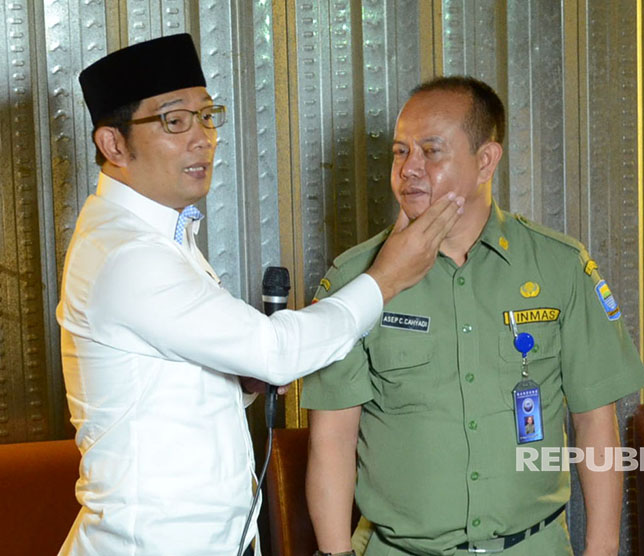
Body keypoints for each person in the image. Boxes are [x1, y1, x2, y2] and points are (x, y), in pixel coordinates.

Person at [57, 34, 464, 556]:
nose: (203, 139)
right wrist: (386, 278)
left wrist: (242, 378)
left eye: (207, 117)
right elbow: (274, 352)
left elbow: (187, 377)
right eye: (175, 121)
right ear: (114, 145)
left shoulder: (165, 235)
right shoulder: (127, 253)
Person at [302, 76, 644, 556]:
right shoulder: (355, 282)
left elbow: (595, 422)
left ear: (485, 161)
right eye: (401, 152)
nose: (410, 170)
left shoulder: (559, 267)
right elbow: (333, 441)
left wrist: (602, 549)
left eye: (432, 151)